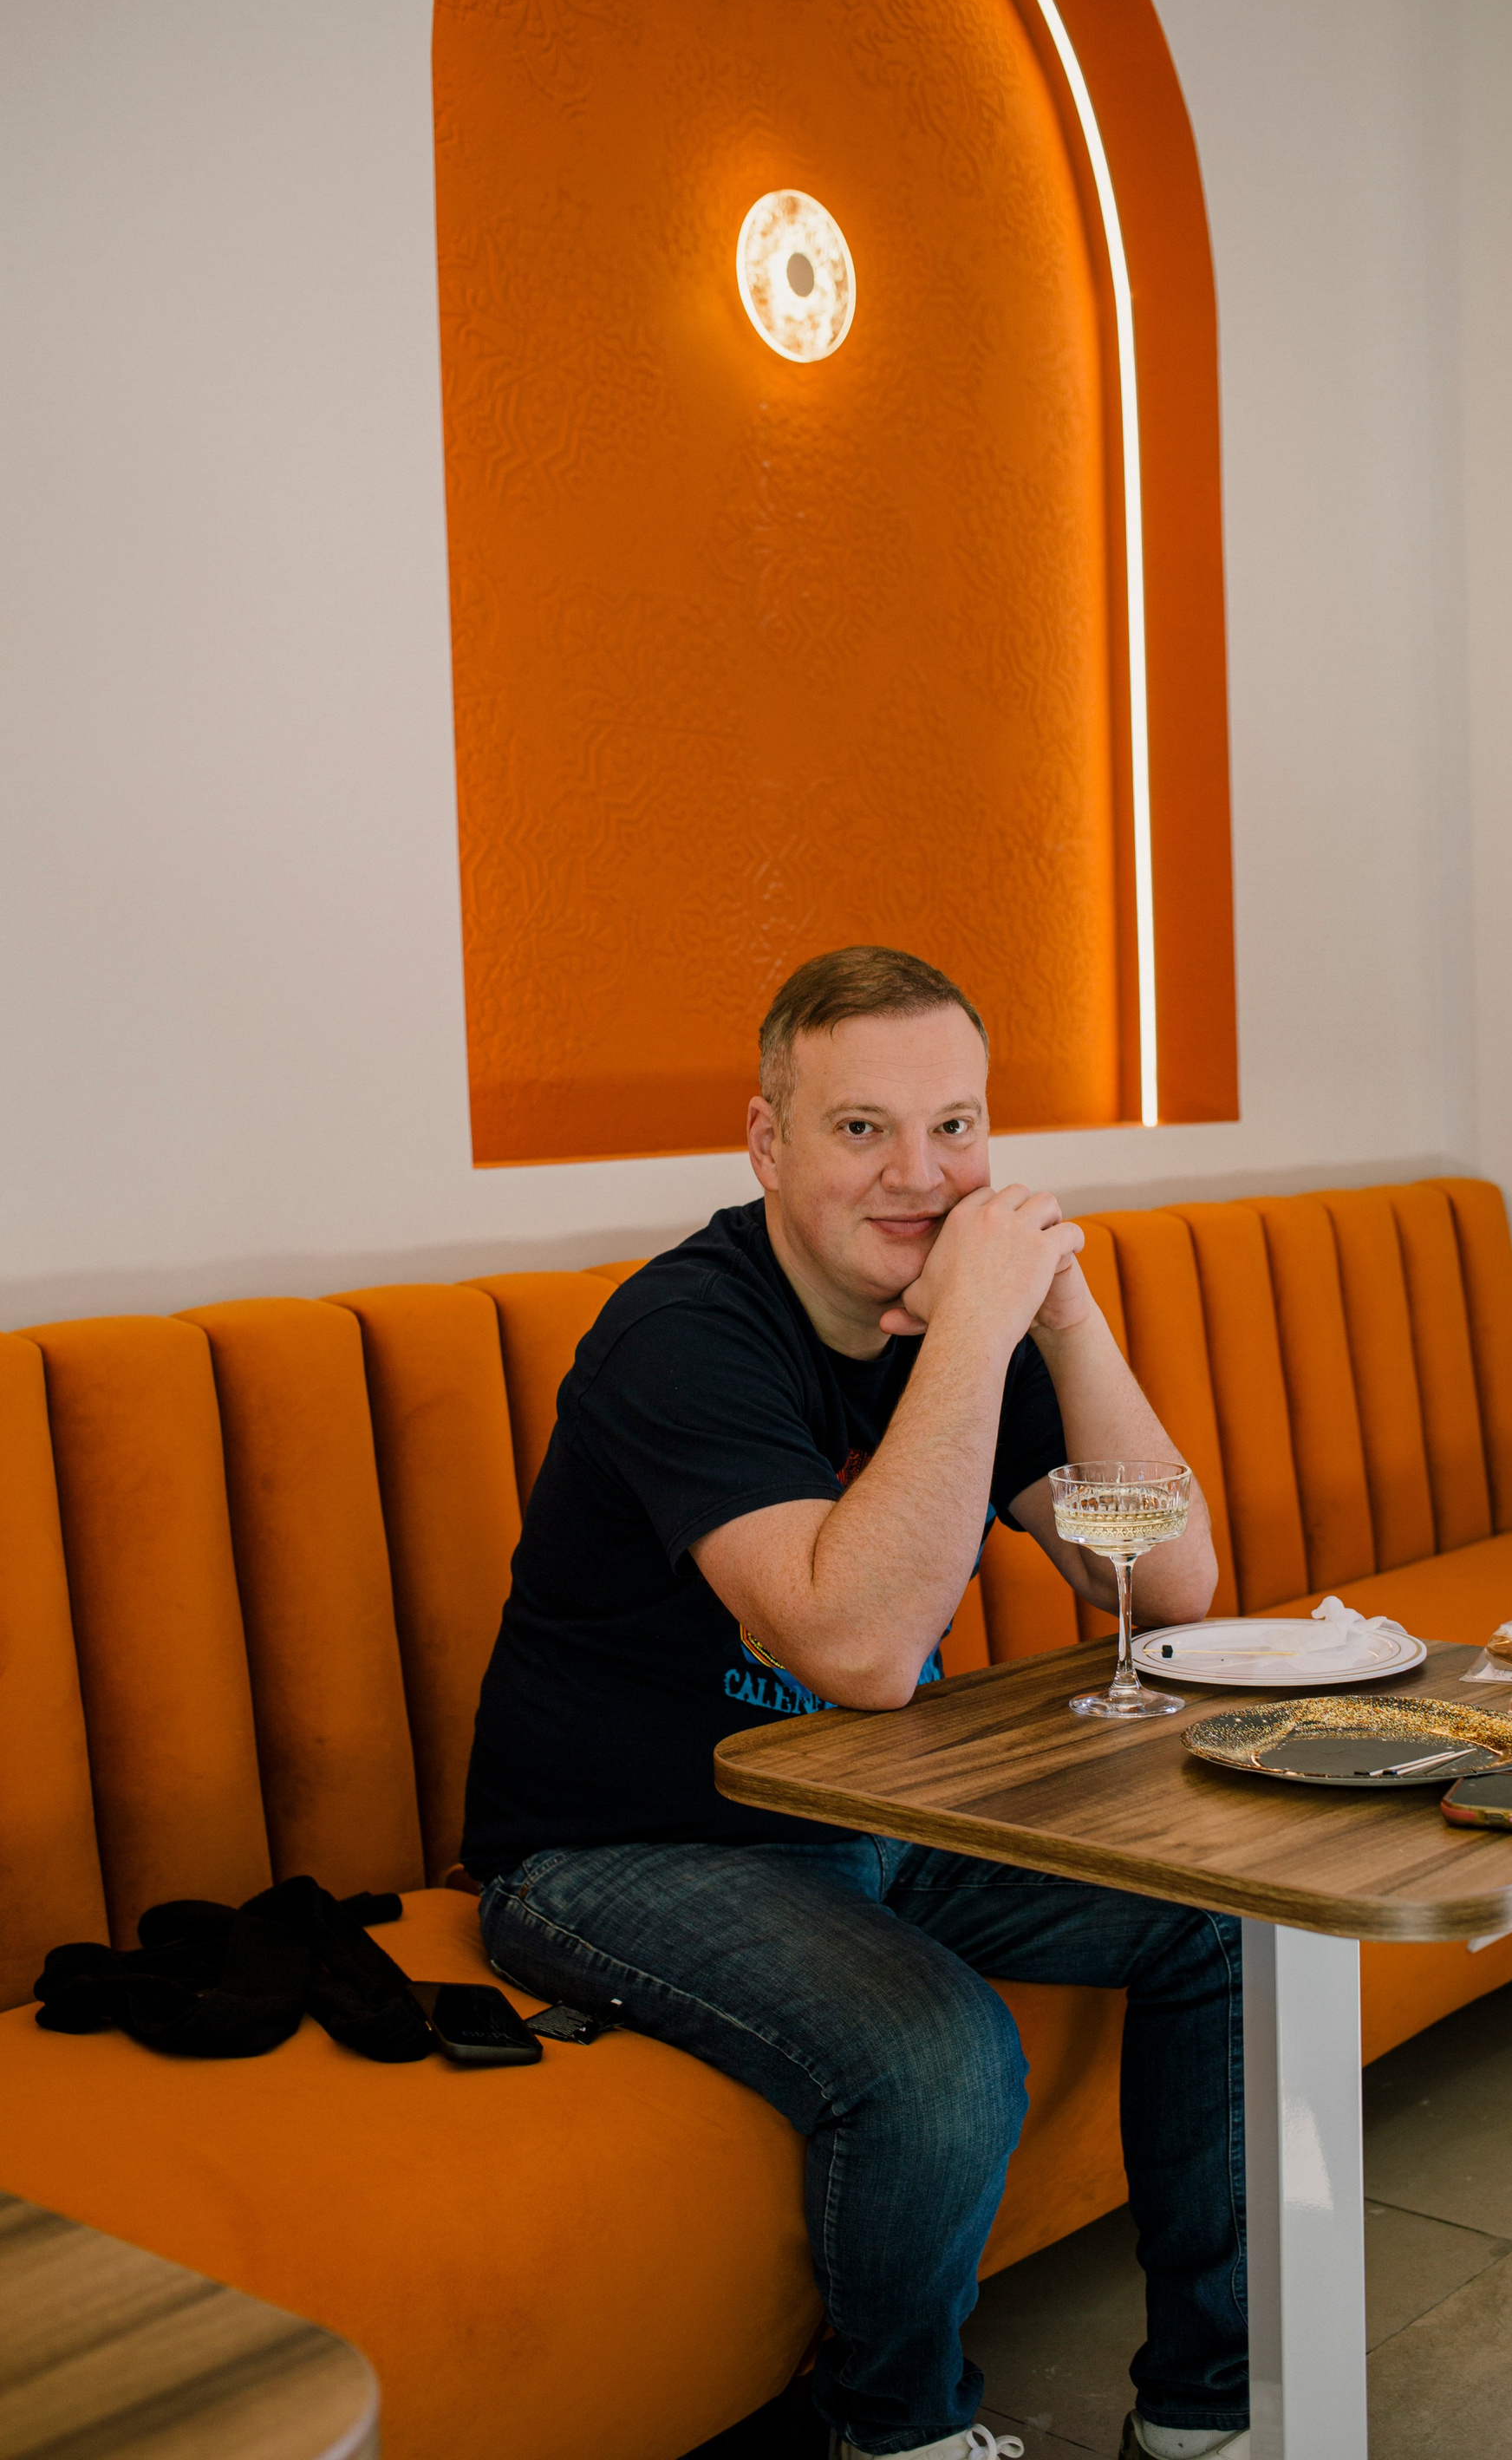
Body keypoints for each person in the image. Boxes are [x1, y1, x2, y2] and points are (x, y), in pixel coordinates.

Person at [462, 948, 1248, 2460]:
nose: (922, 1177)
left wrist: (1065, 1314)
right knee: (941, 2052)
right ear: (768, 1143)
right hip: (625, 1851)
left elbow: (1166, 1582)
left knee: (1223, 1916)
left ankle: (1213, 2410)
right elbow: (864, 1653)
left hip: (876, 1811)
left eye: (956, 1126)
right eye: (862, 1128)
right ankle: (895, 2433)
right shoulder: (682, 1336)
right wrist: (976, 1329)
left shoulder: (969, 1313)